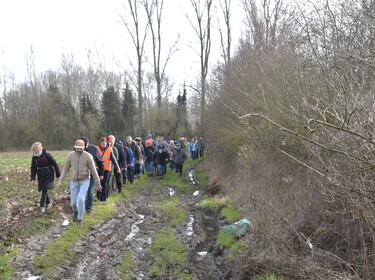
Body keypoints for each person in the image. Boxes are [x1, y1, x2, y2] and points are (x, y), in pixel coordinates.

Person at [57, 139, 101, 225]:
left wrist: (98, 183)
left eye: (81, 148)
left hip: (85, 180)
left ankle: (79, 219)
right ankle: (76, 212)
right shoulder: (70, 156)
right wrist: (60, 181)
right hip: (74, 181)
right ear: (75, 147)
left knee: (80, 199)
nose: (79, 150)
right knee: (73, 203)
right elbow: (65, 170)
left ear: (84, 148)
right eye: (77, 148)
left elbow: (93, 170)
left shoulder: (88, 156)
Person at [30, 142, 61, 213]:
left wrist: (58, 175)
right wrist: (33, 178)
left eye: (37, 149)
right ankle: (48, 202)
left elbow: (55, 164)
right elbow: (33, 168)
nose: (35, 151)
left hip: (49, 174)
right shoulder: (34, 157)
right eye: (34, 149)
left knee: (44, 189)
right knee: (43, 188)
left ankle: (42, 206)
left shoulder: (47, 155)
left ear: (40, 148)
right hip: (40, 175)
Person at [80, 136, 104, 214]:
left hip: (92, 174)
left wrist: (101, 174)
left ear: (87, 144)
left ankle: (88, 209)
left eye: (85, 145)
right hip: (82, 174)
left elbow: (100, 162)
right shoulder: (77, 150)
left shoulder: (94, 149)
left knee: (90, 191)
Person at [96, 137, 120, 202]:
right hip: (98, 169)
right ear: (99, 143)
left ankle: (103, 198)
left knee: (105, 183)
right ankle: (98, 196)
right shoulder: (96, 149)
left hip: (107, 169)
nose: (103, 145)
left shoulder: (109, 149)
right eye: (102, 143)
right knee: (98, 183)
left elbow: (114, 159)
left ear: (106, 143)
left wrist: (117, 168)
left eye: (104, 143)